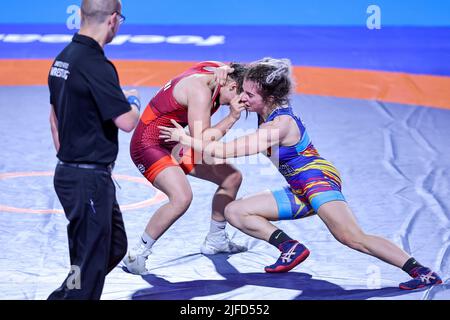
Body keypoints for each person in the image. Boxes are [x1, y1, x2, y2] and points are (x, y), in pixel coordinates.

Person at [159, 57, 443, 290]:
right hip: (298, 185)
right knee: (236, 211)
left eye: (249, 94)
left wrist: (185, 139)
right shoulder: (267, 98)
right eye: (242, 90)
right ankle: (290, 247)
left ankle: (421, 271)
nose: (242, 97)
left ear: (268, 96)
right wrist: (226, 70)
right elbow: (261, 69)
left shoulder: (278, 125)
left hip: (316, 179)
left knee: (351, 237)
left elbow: (226, 151)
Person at [48, 0, 141, 299]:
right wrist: (134, 102)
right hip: (87, 179)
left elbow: (54, 119)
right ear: (113, 19)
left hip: (77, 175)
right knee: (88, 264)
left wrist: (72, 161)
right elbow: (127, 121)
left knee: (112, 247)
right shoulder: (96, 64)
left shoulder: (63, 58)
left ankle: (64, 295)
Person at [123, 61, 248, 274]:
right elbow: (203, 142)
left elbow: (246, 68)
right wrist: (232, 117)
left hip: (174, 140)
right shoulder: (200, 92)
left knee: (231, 178)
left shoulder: (216, 69)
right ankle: (138, 253)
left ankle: (216, 240)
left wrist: (225, 66)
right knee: (181, 197)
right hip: (149, 144)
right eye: (241, 98)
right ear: (233, 87)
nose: (241, 103)